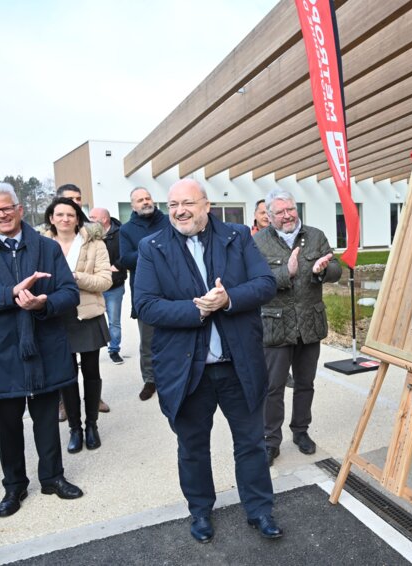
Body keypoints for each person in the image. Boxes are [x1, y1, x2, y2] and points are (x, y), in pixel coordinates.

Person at [134, 179, 282, 543]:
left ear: (206, 205)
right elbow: (145, 305)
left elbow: (265, 283)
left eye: (187, 203)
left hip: (237, 363)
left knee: (250, 442)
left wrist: (228, 299)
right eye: (172, 205)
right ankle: (200, 511)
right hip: (187, 369)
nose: (179, 211)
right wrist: (197, 309)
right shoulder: (152, 246)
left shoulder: (236, 236)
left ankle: (260, 509)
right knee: (193, 447)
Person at [0, 182, 84, 517]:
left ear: (20, 209)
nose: (2, 214)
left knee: (46, 420)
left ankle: (53, 478)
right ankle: (14, 486)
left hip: (44, 346)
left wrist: (43, 303)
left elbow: (69, 292)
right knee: (7, 425)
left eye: (7, 207)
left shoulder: (46, 247)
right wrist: (9, 294)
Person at [253, 189, 340, 466]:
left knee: (305, 384)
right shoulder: (258, 243)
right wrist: (285, 273)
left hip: (309, 325)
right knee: (273, 387)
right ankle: (270, 440)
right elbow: (254, 282)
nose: (287, 215)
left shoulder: (315, 235)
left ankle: (301, 432)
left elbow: (336, 268)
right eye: (280, 212)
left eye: (290, 209)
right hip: (276, 326)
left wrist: (324, 270)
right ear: (269, 216)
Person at [44, 197, 111, 453]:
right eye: (59, 214)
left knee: (91, 373)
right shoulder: (42, 245)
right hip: (56, 315)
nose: (65, 219)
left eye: (70, 214)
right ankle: (75, 428)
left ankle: (91, 424)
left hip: (88, 313)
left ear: (77, 217)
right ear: (51, 218)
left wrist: (75, 277)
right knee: (66, 375)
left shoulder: (94, 244)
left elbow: (105, 280)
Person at [119, 187, 168, 401]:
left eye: (148, 198)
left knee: (176, 335)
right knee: (148, 339)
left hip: (173, 288)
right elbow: (126, 259)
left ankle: (173, 374)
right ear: (133, 206)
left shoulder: (168, 221)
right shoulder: (127, 230)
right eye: (140, 200)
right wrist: (151, 249)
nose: (145, 202)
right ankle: (150, 379)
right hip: (144, 291)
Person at [89, 207, 127, 365]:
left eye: (92, 217)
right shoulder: (88, 234)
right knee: (90, 320)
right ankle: (89, 351)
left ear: (104, 219)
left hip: (114, 286)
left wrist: (117, 266)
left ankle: (114, 350)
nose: (89, 220)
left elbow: (127, 253)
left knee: (114, 321)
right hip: (92, 286)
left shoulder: (121, 234)